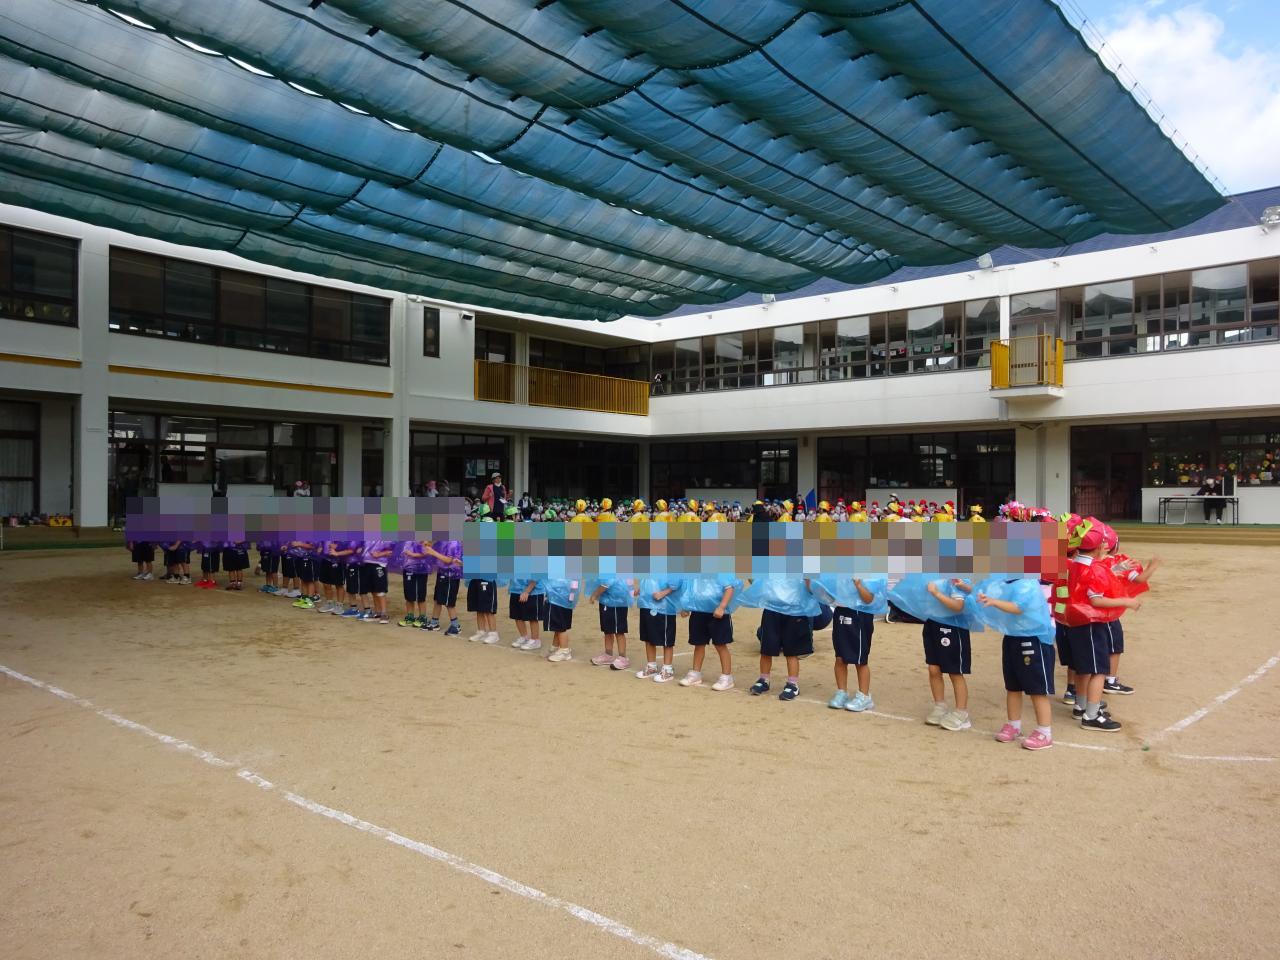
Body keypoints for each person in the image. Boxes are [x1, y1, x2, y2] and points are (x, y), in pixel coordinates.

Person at [976, 579, 1056, 751]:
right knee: (1013, 686)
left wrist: (993, 601)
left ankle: (1044, 732)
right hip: (1013, 637)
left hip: (1033, 640)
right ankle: (1013, 725)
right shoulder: (1008, 582)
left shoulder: (1027, 583)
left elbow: (1018, 607)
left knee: (1037, 689)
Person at [743, 578, 820, 701]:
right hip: (772, 609)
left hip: (794, 611)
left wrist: (808, 581)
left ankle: (792, 684)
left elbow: (812, 588)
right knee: (767, 647)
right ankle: (764, 679)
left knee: (792, 651)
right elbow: (754, 579)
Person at [816, 577, 884, 713]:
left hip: (860, 614)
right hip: (840, 612)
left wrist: (858, 584)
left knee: (860, 660)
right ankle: (842, 692)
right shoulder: (838, 573)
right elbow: (829, 595)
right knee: (840, 657)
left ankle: (864, 696)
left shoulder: (867, 574)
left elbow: (869, 599)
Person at [922, 578, 975, 730]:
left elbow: (958, 606)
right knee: (933, 668)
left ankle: (962, 713)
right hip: (932, 623)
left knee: (955, 671)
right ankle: (940, 706)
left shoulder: (957, 577)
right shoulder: (931, 575)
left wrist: (936, 593)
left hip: (953, 626)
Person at [676, 577, 738, 690]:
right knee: (698, 643)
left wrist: (722, 607)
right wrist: (686, 607)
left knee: (720, 645)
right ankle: (695, 673)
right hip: (698, 611)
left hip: (718, 613)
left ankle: (726, 677)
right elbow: (689, 587)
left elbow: (729, 588)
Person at [634, 577, 682, 680]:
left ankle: (668, 670)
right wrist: (642, 588)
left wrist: (663, 593)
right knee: (648, 637)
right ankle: (651, 667)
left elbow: (677, 581)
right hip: (646, 604)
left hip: (664, 606)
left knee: (666, 639)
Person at [588, 577, 632, 669]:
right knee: (607, 630)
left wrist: (595, 594)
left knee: (618, 631)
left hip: (616, 602)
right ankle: (608, 655)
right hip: (606, 601)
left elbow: (607, 583)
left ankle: (623, 658)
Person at [422, 539, 463, 635]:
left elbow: (449, 560)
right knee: (437, 599)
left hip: (451, 576)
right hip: (442, 573)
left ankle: (456, 626)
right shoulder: (443, 540)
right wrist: (428, 544)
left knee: (449, 602)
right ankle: (434, 623)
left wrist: (433, 552)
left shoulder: (453, 542)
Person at [542, 578, 579, 662]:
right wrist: (571, 598)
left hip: (556, 600)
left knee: (560, 627)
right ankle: (555, 647)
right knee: (559, 626)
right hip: (566, 600)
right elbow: (575, 584)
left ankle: (564, 651)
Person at [398, 540, 432, 627]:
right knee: (409, 594)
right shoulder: (408, 540)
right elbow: (404, 552)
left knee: (421, 595)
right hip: (408, 569)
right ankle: (410, 617)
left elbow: (427, 551)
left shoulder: (425, 538)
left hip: (421, 570)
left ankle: (422, 618)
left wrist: (413, 554)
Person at [509, 575, 546, 651]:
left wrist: (526, 591)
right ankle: (524, 637)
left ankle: (535, 640)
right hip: (515, 589)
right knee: (517, 615)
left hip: (533, 592)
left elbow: (535, 577)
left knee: (532, 618)